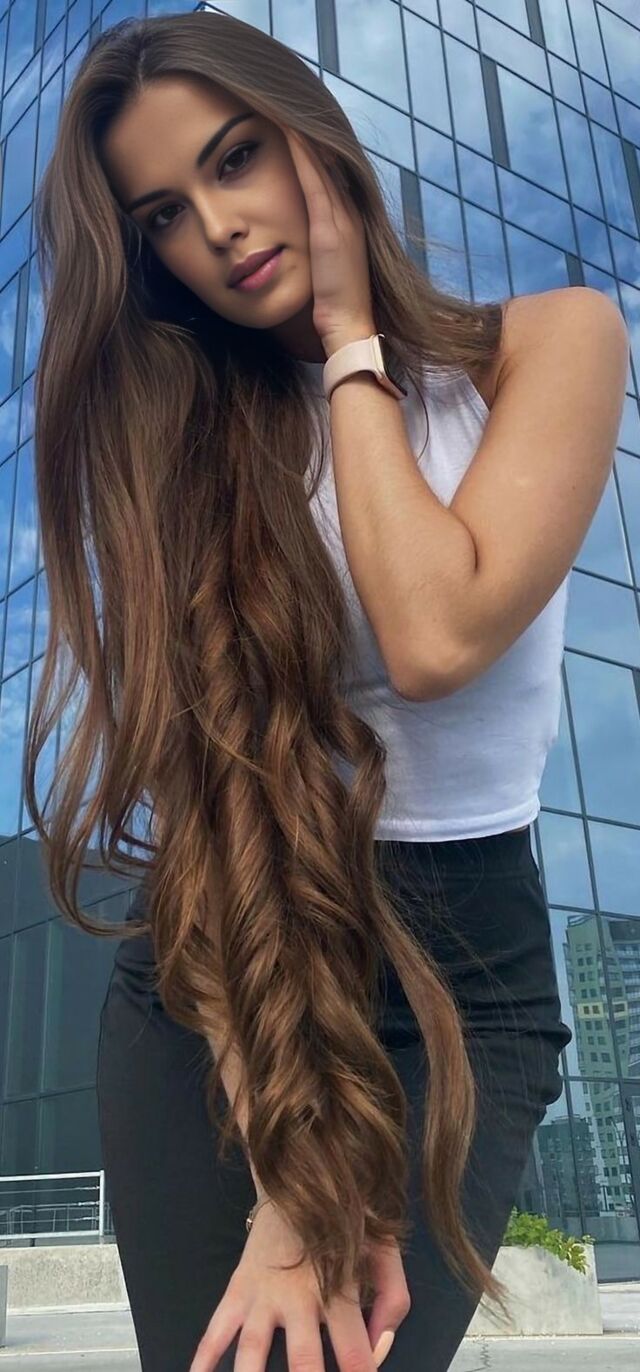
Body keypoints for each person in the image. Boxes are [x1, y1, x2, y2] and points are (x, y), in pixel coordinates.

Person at [23, 11, 629, 1372]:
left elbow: (434, 631)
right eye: (165, 215)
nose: (219, 227)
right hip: (227, 966)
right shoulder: (184, 438)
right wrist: (292, 1175)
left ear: (314, 138)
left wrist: (353, 338)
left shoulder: (549, 345)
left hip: (461, 971)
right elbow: (217, 799)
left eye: (237, 158)